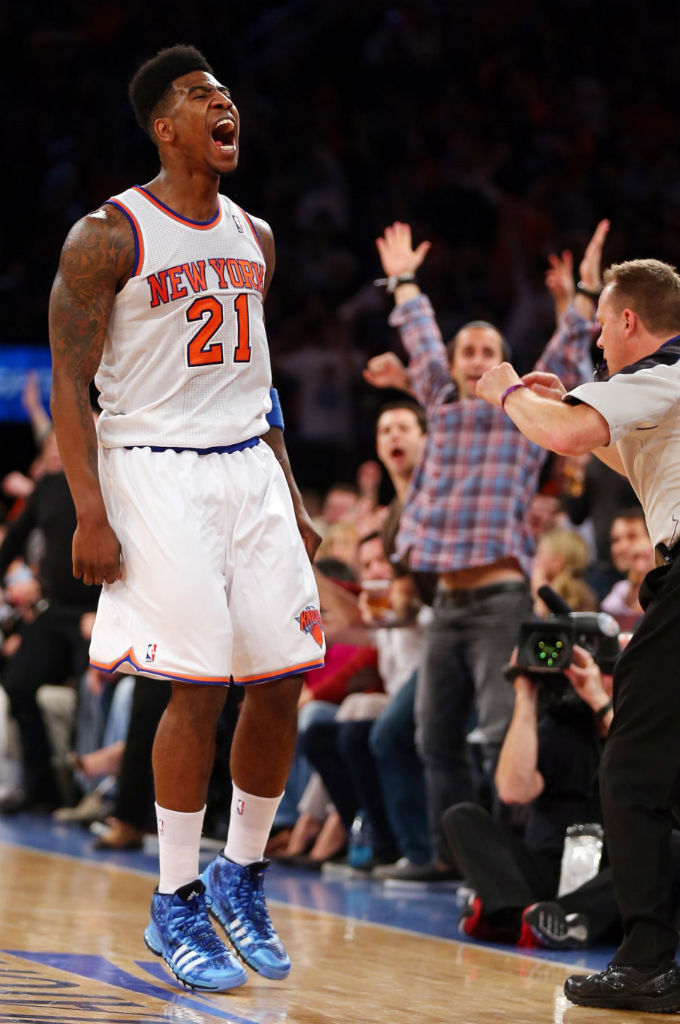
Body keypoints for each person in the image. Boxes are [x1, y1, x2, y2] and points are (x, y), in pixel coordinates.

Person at [48, 45, 324, 993]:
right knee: (198, 691)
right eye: (202, 95)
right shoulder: (107, 236)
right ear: (165, 127)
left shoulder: (258, 235)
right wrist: (89, 507)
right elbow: (70, 383)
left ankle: (239, 873)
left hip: (248, 465)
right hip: (154, 470)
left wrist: (290, 496)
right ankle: (174, 902)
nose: (224, 103)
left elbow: (260, 381)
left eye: (228, 93)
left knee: (283, 677)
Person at [362, 220, 602, 880]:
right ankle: (453, 858)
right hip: (448, 606)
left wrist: (582, 296)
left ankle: (516, 862)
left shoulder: (521, 416)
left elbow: (571, 349)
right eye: (463, 348)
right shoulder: (437, 400)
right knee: (432, 737)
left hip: (499, 601)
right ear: (450, 361)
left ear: (504, 365)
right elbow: (417, 334)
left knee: (502, 734)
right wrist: (405, 281)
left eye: (486, 348)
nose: (472, 356)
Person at [477, 257, 680, 1012]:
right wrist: (559, 400)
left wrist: (506, 393)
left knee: (630, 772)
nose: (596, 339)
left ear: (629, 320)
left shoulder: (666, 368)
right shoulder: (663, 393)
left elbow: (563, 437)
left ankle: (650, 960)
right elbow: (616, 446)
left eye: (601, 324)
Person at [450, 644, 611, 948]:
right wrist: (525, 695)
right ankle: (525, 917)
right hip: (545, 868)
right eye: (600, 670)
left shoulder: (650, 731)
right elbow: (513, 791)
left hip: (611, 875)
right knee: (461, 818)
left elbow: (647, 771)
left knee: (670, 847)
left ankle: (539, 918)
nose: (600, 679)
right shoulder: (562, 726)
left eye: (610, 672)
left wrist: (601, 702)